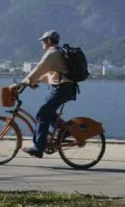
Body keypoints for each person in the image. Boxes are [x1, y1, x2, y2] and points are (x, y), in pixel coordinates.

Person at [10, 30, 76, 158]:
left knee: (41, 115)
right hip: (61, 87)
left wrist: (21, 84)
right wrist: (33, 82)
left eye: (43, 41)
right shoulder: (58, 52)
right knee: (48, 112)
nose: (42, 44)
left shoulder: (51, 54)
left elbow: (37, 69)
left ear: (49, 41)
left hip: (61, 89)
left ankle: (38, 148)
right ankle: (64, 130)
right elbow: (50, 74)